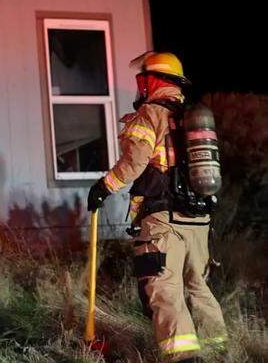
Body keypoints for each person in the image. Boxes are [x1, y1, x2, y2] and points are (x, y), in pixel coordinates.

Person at [87, 52, 227, 362]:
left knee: (164, 288)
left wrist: (103, 187)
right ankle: (220, 349)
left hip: (164, 221)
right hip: (199, 220)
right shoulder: (188, 117)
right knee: (197, 285)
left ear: (154, 81)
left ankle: (185, 356)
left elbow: (135, 162)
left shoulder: (151, 113)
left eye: (143, 80)